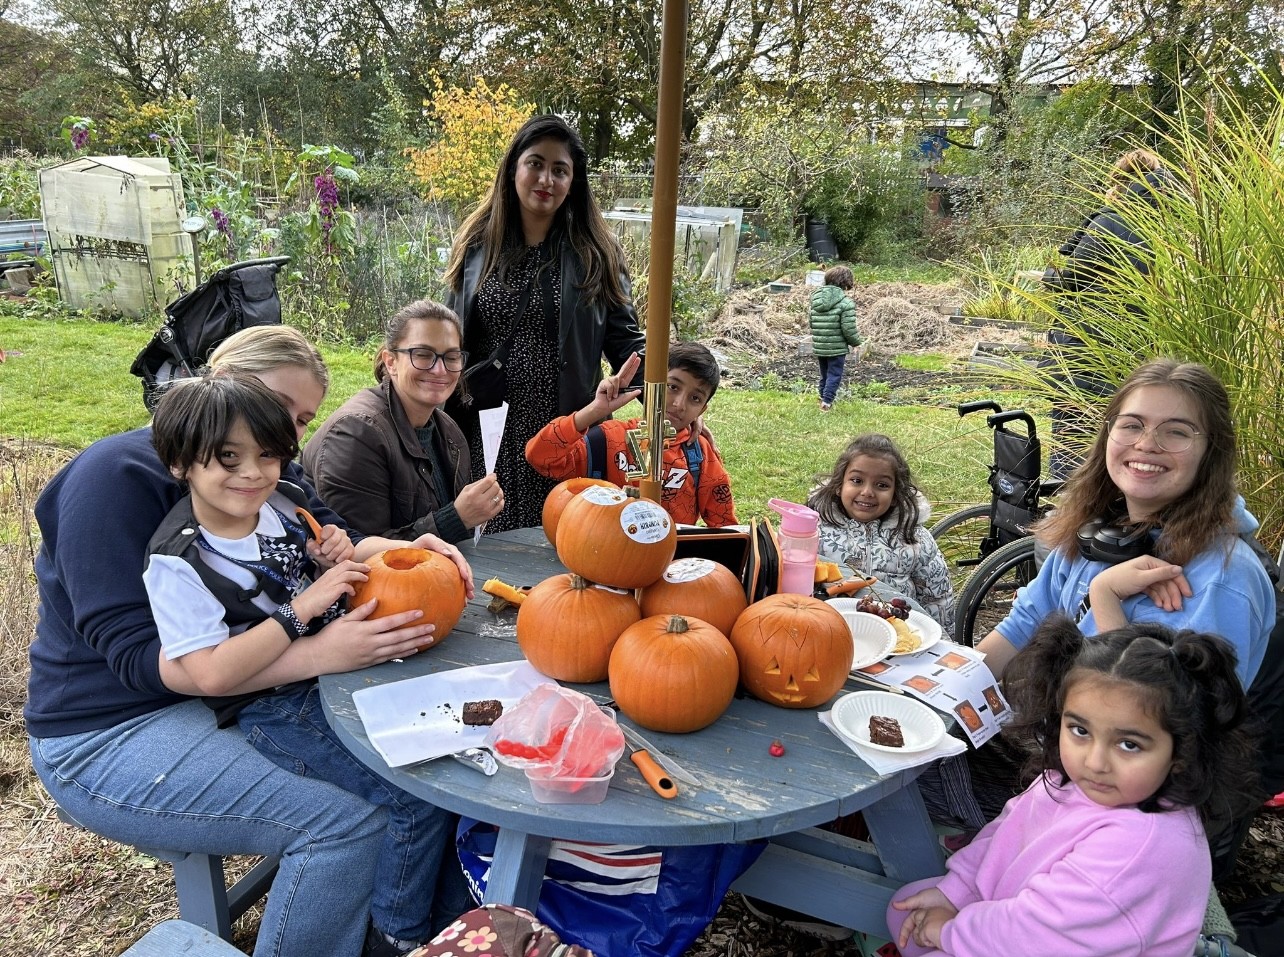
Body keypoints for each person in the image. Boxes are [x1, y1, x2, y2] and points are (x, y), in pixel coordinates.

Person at [26, 324, 476, 957]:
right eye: (274, 409)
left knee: (421, 768)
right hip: (112, 729)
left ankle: (415, 924)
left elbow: (329, 535)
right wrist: (316, 650)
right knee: (352, 817)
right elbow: (140, 662)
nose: (280, 443)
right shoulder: (115, 477)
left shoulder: (272, 475)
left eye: (298, 423)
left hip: (245, 689)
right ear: (216, 385)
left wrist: (404, 549)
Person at [887, 615, 1257, 957]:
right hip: (1026, 917)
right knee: (906, 906)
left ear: (1182, 750)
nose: (1095, 761)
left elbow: (1040, 937)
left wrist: (951, 932)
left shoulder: (1137, 849)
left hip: (1052, 943)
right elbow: (1010, 831)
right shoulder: (1077, 780)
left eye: (1129, 744)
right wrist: (958, 890)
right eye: (1080, 730)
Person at [975, 359, 1273, 689]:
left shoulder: (1225, 580)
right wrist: (943, 691)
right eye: (1132, 425)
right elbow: (1022, 626)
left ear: (1211, 452)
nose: (1146, 444)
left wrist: (1105, 595)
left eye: (1176, 432)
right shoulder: (1093, 531)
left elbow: (1162, 721)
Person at [444, 114, 645, 533]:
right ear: (514, 168)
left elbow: (627, 343)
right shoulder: (478, 246)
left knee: (564, 535)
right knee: (489, 534)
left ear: (573, 182)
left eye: (560, 170)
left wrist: (672, 398)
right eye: (536, 163)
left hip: (564, 425)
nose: (546, 179)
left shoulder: (596, 254)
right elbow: (450, 332)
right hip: (487, 422)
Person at [302, 299, 504, 544]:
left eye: (451, 357)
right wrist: (456, 518)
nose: (440, 370)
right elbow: (358, 549)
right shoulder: (356, 433)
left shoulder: (450, 432)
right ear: (391, 362)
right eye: (422, 354)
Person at [1041, 149, 1171, 478]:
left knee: (1074, 435)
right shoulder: (1168, 223)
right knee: (1120, 434)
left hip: (1089, 349)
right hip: (1138, 349)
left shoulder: (1114, 220)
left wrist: (1049, 275)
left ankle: (1069, 509)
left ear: (1120, 180)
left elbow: (1071, 279)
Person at [524, 343, 738, 527]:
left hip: (669, 567)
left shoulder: (700, 456)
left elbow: (724, 527)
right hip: (604, 559)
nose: (679, 404)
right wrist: (595, 411)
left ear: (702, 411)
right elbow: (540, 457)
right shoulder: (609, 440)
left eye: (695, 398)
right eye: (673, 387)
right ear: (651, 384)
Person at [808, 434, 954, 633]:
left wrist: (943, 641)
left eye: (882, 485)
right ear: (839, 486)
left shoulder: (915, 539)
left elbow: (937, 598)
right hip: (829, 631)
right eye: (857, 480)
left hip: (898, 635)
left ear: (895, 495)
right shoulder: (815, 532)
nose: (867, 491)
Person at [807, 265, 862, 412]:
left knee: (824, 374)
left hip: (820, 345)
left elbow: (811, 322)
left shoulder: (815, 299)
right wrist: (856, 342)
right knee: (834, 374)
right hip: (836, 347)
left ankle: (822, 397)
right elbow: (848, 328)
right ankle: (827, 402)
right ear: (846, 282)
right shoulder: (846, 303)